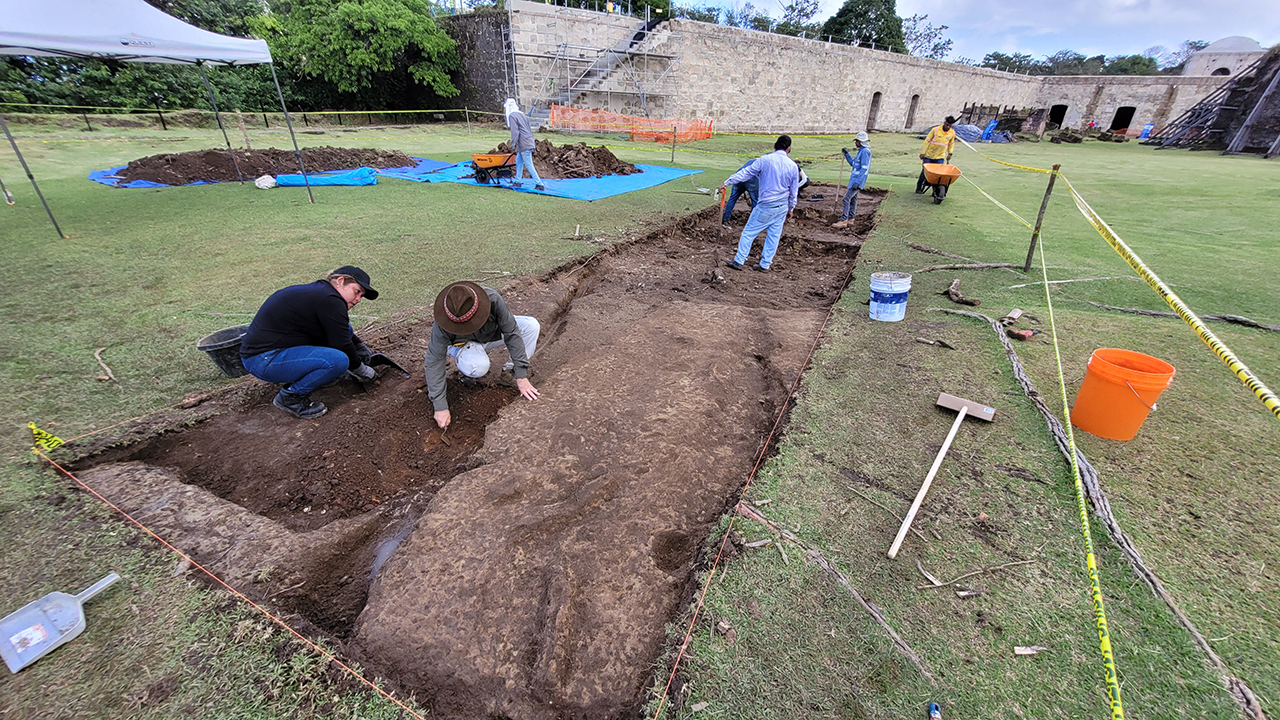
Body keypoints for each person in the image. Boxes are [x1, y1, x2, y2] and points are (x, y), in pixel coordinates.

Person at [240, 266, 380, 419]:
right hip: (264, 359)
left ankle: (317, 376)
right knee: (337, 361)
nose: (359, 299)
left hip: (270, 354)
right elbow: (341, 344)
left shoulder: (322, 294)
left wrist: (358, 346)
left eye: (361, 296)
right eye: (357, 291)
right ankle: (290, 397)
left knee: (342, 329)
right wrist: (361, 370)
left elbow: (341, 329)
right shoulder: (331, 300)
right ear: (340, 281)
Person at [425, 281, 541, 429]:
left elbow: (511, 333)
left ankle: (509, 373)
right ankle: (468, 372)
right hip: (464, 345)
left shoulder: (492, 299)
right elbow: (434, 360)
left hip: (491, 335)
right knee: (478, 366)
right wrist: (440, 406)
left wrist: (521, 374)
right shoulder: (443, 320)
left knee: (531, 326)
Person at [720, 135, 800, 273]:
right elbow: (794, 192)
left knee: (748, 233)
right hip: (781, 206)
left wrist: (727, 181)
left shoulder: (765, 160)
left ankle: (739, 260)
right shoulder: (793, 166)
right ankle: (765, 264)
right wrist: (791, 208)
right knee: (774, 236)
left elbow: (746, 172)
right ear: (789, 148)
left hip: (766, 204)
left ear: (775, 146)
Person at [503, 98, 546, 192]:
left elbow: (515, 132)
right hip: (529, 141)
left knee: (528, 164)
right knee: (519, 160)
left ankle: (539, 184)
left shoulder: (512, 116)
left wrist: (513, 144)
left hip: (523, 143)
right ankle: (517, 181)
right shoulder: (523, 115)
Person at [833, 132, 871, 229]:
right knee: (853, 199)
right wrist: (847, 155)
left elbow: (864, 168)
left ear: (861, 142)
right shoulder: (861, 151)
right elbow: (853, 163)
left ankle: (844, 220)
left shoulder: (865, 152)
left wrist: (858, 181)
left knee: (846, 199)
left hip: (857, 180)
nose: (855, 143)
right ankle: (851, 218)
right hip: (854, 179)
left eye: (857, 141)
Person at [916, 115, 956, 195]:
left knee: (938, 175)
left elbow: (951, 144)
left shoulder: (952, 133)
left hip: (940, 157)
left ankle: (935, 191)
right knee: (925, 173)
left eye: (950, 126)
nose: (948, 127)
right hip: (929, 156)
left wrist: (950, 153)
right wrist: (922, 152)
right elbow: (926, 141)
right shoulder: (935, 130)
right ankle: (919, 188)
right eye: (947, 125)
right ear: (944, 123)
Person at [721, 159, 759, 225]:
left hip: (739, 176)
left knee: (733, 198)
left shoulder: (752, 160)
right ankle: (754, 222)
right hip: (752, 179)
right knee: (755, 200)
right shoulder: (764, 163)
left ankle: (725, 219)